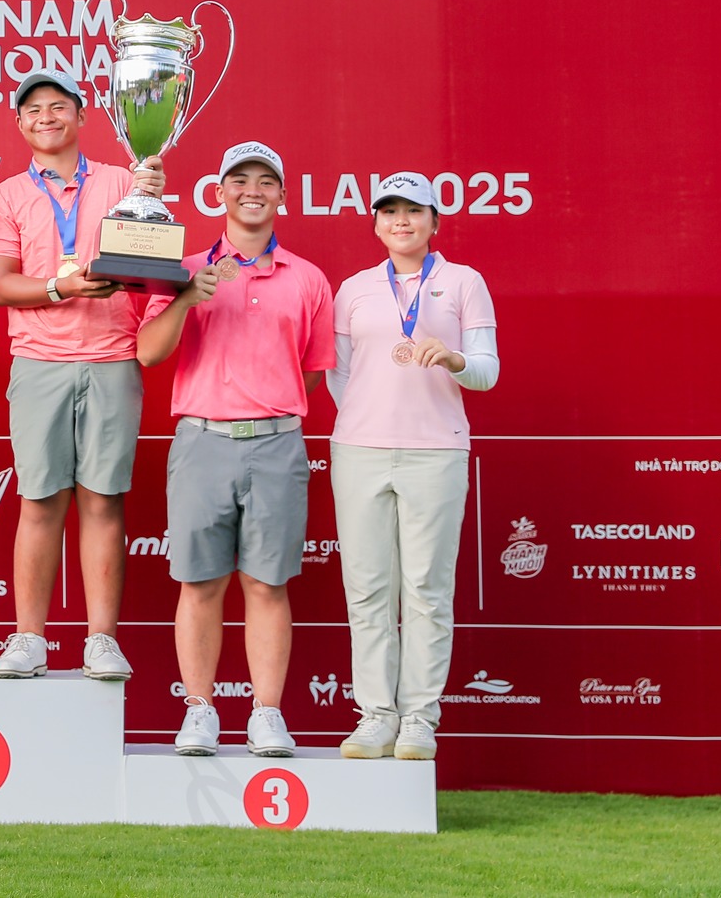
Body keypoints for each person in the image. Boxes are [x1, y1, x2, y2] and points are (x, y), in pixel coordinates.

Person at [137, 142, 333, 756]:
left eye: (266, 181)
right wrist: (189, 295)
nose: (253, 190)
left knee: (267, 586)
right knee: (199, 584)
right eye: (239, 180)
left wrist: (264, 406)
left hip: (276, 445)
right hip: (202, 441)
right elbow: (149, 351)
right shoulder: (183, 267)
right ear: (218, 193)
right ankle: (199, 710)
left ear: (282, 195)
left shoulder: (308, 278)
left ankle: (266, 713)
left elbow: (312, 371)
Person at [0, 69, 163, 681]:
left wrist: (152, 196)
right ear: (19, 123)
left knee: (103, 501)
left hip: (112, 358)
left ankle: (101, 640)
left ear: (82, 116)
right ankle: (29, 638)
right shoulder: (7, 195)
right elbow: (2, 284)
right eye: (33, 109)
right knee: (38, 502)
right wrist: (63, 286)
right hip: (39, 362)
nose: (46, 117)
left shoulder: (121, 181)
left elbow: (150, 262)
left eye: (58, 106)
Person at [327, 171, 500, 761]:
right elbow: (339, 374)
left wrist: (453, 359)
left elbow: (487, 370)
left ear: (434, 221)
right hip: (361, 451)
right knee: (367, 590)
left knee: (426, 589)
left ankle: (420, 718)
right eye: (390, 211)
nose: (401, 220)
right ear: (376, 223)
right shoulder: (354, 288)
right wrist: (369, 416)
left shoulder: (464, 282)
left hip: (436, 451)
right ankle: (377, 715)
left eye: (414, 210)